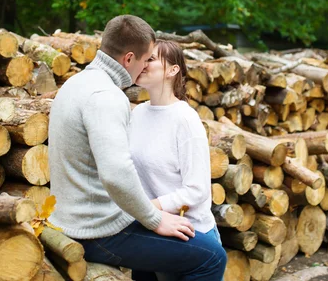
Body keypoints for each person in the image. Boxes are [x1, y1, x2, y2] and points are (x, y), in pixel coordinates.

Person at [48, 15, 227, 280]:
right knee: (214, 257)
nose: (144, 67)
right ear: (129, 59)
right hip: (97, 231)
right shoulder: (107, 96)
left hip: (80, 222)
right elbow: (116, 174)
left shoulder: (76, 84)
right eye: (145, 60)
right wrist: (154, 219)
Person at [129, 40, 223, 281]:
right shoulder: (137, 113)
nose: (143, 63)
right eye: (143, 58)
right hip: (151, 229)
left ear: (173, 70)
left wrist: (149, 207)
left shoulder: (185, 120)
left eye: (151, 59)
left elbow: (197, 190)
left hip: (191, 235)